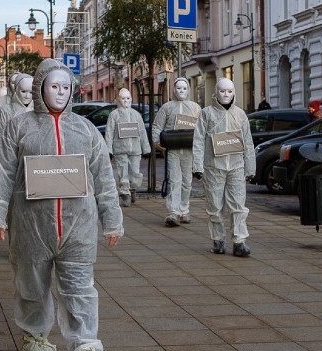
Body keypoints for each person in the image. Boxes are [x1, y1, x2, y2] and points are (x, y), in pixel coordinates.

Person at [0, 58, 123, 351]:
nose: (60, 93)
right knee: (31, 287)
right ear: (39, 88)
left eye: (65, 87)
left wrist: (112, 220)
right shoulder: (19, 127)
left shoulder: (86, 130)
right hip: (31, 226)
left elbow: (104, 177)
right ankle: (36, 341)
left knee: (80, 289)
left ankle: (86, 350)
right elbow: (1, 174)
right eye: (53, 86)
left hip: (79, 227)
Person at [192, 78, 255, 257]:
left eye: (229, 91)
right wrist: (198, 166)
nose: (225, 94)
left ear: (234, 92)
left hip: (236, 166)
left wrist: (250, 168)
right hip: (213, 167)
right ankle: (218, 240)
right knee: (214, 205)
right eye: (222, 91)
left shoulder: (240, 115)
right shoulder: (206, 114)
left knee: (238, 205)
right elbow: (198, 141)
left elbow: (248, 142)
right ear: (215, 92)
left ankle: (239, 241)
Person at [151, 77, 201, 227]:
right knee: (174, 179)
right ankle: (173, 212)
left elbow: (202, 129)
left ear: (188, 90)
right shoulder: (167, 107)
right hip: (172, 149)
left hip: (188, 149)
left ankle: (184, 210)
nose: (181, 91)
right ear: (174, 90)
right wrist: (157, 142)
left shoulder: (195, 108)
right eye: (179, 88)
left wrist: (200, 146)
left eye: (184, 88)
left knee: (187, 181)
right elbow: (157, 126)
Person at [104, 88, 151, 207]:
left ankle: (132, 189)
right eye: (123, 98)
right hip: (120, 149)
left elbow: (142, 132)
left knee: (135, 173)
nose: (125, 101)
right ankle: (125, 194)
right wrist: (108, 150)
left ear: (131, 99)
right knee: (122, 173)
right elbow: (109, 133)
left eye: (128, 98)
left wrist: (146, 149)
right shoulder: (114, 115)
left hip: (135, 149)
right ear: (119, 100)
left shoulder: (136, 115)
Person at [0, 73, 33, 173]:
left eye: (31, 92)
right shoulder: (6, 110)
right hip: (9, 161)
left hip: (33, 162)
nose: (27, 96)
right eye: (23, 91)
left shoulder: (39, 110)